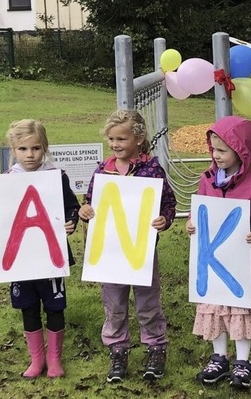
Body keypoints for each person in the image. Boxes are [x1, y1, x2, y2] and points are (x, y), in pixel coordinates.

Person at [78, 109, 177, 383]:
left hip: (140, 253)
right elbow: (90, 200)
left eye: (121, 138)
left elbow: (168, 203)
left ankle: (156, 347)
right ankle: (117, 349)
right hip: (110, 253)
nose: (115, 144)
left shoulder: (152, 169)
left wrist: (164, 220)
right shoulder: (103, 169)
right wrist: (85, 210)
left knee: (147, 302)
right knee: (114, 304)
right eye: (111, 139)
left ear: (139, 138)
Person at [0, 119, 80, 379]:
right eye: (23, 149)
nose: (30, 155)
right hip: (21, 261)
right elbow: (0, 215)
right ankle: (37, 359)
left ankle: (55, 359)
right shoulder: (7, 181)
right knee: (28, 307)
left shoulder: (56, 176)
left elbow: (71, 206)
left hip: (50, 259)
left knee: (54, 306)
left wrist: (71, 222)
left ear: (45, 148)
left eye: (36, 148)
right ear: (13, 150)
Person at [185, 115, 251, 389]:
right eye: (213, 150)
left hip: (242, 264)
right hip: (211, 264)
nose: (216, 155)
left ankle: (243, 361)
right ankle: (219, 356)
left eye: (222, 150)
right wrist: (192, 225)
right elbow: (200, 213)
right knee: (213, 309)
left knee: (241, 311)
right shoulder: (207, 179)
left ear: (240, 151)